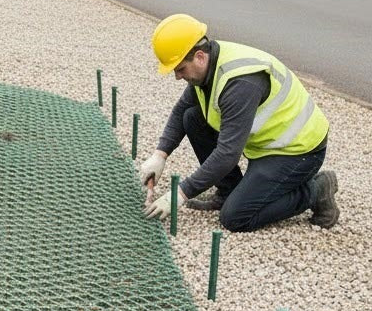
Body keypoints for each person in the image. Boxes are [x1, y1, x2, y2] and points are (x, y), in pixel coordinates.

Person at [140, 13, 340, 232]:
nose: (178, 77)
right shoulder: (210, 64)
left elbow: (227, 153)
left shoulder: (240, 83)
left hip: (296, 151)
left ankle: (317, 189)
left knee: (235, 217)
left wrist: (180, 193)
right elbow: (182, 110)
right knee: (192, 117)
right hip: (266, 145)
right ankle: (228, 191)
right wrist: (160, 155)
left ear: (199, 56)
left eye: (180, 69)